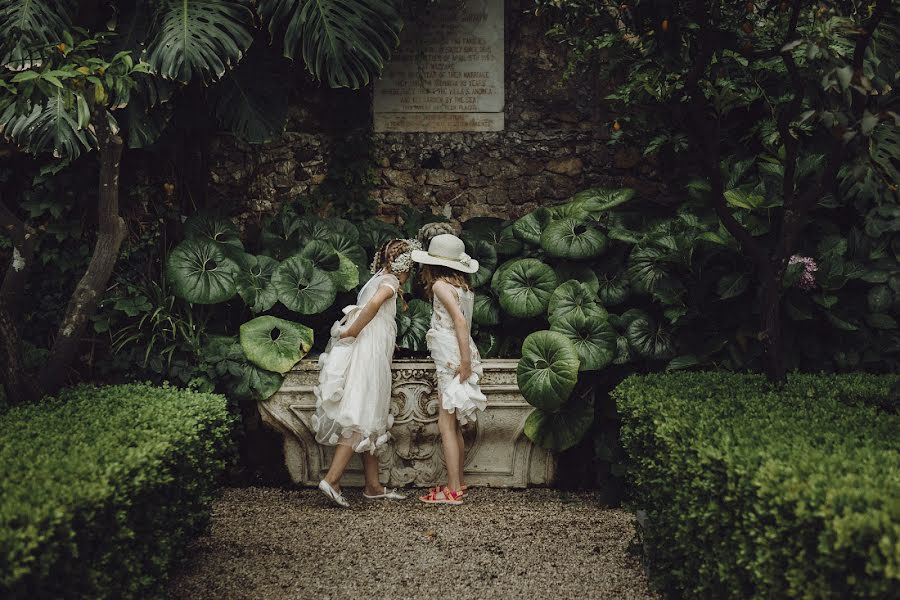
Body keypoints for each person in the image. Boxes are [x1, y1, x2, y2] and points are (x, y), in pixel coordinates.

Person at [311, 238, 420, 507]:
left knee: (368, 414)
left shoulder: (376, 278)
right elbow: (374, 306)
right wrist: (351, 331)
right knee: (361, 415)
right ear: (404, 266)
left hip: (367, 350)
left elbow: (376, 311)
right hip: (369, 354)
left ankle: (373, 486)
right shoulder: (391, 282)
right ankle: (333, 479)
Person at [411, 234, 487, 505]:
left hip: (451, 358)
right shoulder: (464, 288)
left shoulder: (442, 286)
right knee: (452, 424)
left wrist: (464, 363)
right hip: (456, 353)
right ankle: (459, 483)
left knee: (446, 423)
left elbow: (459, 322)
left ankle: (452, 490)